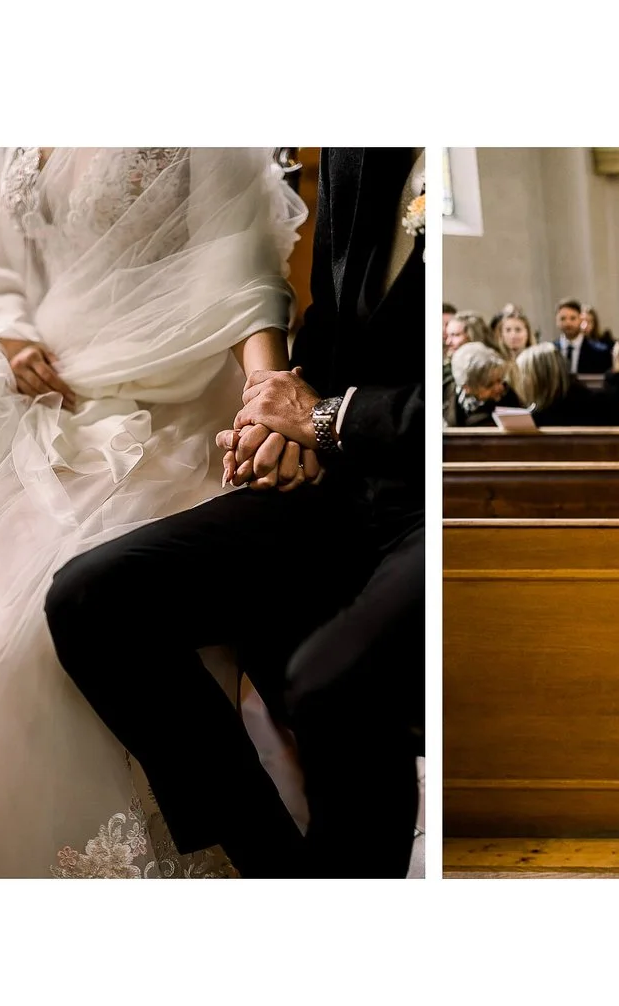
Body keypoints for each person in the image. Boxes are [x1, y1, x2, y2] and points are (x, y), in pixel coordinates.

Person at [43, 147, 427, 879]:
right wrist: (275, 416)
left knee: (326, 681)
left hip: (423, 500)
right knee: (91, 597)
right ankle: (274, 868)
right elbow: (331, 325)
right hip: (334, 480)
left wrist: (328, 420)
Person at [0, 147, 306, 878]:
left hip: (168, 395)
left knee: (32, 646)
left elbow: (239, 269)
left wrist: (267, 388)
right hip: (48, 389)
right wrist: (9, 335)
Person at [509, 343, 619, 426]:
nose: (520, 380)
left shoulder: (599, 405)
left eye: (523, 374)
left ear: (540, 376)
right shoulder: (536, 413)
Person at [443, 342, 519, 426]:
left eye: (499, 380)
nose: (499, 387)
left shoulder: (509, 400)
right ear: (466, 387)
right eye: (489, 385)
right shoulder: (446, 393)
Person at [548, 298, 612, 375]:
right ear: (556, 321)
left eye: (573, 318)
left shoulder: (600, 352)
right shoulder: (549, 352)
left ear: (581, 319)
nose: (568, 323)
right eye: (563, 319)